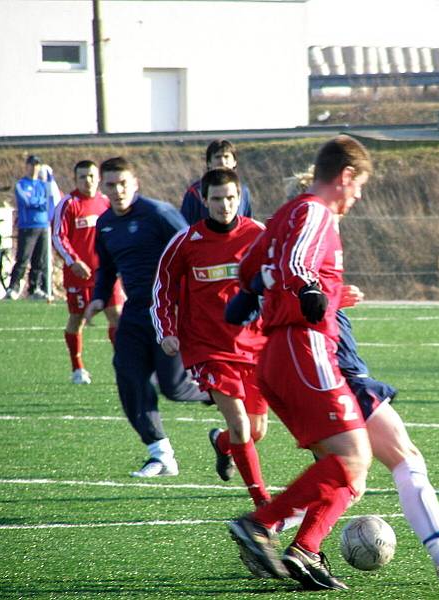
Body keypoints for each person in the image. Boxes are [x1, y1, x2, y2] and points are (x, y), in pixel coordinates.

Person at [227, 167, 439, 586]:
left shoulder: (291, 244)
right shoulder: (309, 229)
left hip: (316, 367)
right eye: (351, 193)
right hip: (333, 371)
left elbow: (259, 291)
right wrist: (328, 294)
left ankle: (301, 546)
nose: (350, 203)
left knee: (347, 475)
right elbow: (297, 292)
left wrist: (330, 294)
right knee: (398, 458)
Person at [225, 136, 374, 592]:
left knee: (350, 470)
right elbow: (295, 260)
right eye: (359, 185)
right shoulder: (314, 211)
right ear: (345, 176)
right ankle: (260, 524)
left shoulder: (288, 212)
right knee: (354, 457)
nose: (359, 196)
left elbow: (248, 267)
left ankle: (305, 549)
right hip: (303, 347)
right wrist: (308, 287)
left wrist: (264, 288)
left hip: (278, 354)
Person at [151, 167, 271, 508]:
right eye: (217, 199)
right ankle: (263, 503)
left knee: (256, 430)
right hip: (208, 349)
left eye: (231, 197)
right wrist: (167, 332)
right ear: (204, 200)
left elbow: (278, 276)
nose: (224, 205)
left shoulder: (258, 235)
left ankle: (221, 444)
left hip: (254, 346)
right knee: (241, 425)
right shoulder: (187, 242)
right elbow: (162, 289)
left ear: (240, 198)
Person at [83, 156, 210, 478]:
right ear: (103, 187)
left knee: (174, 388)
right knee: (127, 374)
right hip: (137, 311)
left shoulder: (159, 214)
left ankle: (218, 391)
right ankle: (160, 453)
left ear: (135, 184)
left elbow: (194, 251)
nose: (117, 190)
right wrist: (99, 296)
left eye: (123, 182)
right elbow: (108, 267)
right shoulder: (106, 223)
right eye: (110, 184)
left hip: (171, 310)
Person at [52, 160, 125, 385]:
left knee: (118, 317)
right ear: (75, 180)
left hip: (107, 274)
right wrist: (74, 261)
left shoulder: (105, 203)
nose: (88, 181)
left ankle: (124, 365)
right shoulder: (69, 203)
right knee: (78, 319)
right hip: (79, 276)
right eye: (82, 177)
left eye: (92, 176)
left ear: (99, 178)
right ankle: (78, 369)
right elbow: (58, 236)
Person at [5, 155, 57, 300]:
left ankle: (34, 288)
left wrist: (39, 203)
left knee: (39, 260)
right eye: (32, 165)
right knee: (22, 259)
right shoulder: (21, 184)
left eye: (37, 165)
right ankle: (13, 288)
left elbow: (48, 202)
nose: (34, 168)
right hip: (27, 226)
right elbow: (27, 201)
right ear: (27, 166)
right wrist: (39, 202)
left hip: (43, 226)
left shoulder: (43, 185)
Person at [180, 139, 254, 225]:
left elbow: (247, 223)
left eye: (226, 156)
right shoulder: (195, 192)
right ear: (209, 163)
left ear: (234, 162)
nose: (222, 161)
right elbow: (184, 225)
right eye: (217, 157)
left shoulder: (243, 190)